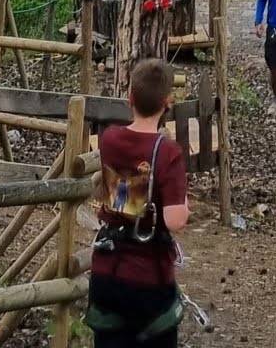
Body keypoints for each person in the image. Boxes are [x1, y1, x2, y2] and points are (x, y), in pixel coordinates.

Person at [85, 57, 189, 348]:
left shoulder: (109, 139)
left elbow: (124, 199)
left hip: (108, 271)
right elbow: (175, 220)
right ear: (168, 101)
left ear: (129, 97)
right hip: (149, 280)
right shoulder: (168, 152)